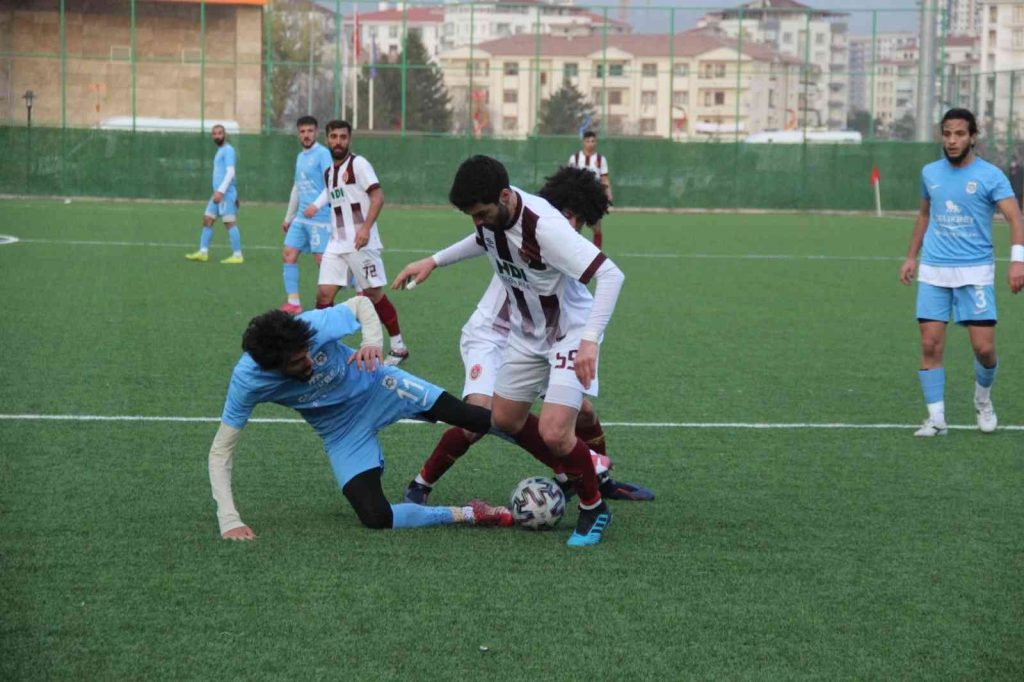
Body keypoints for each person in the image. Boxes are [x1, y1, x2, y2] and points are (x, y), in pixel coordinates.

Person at [390, 155, 626, 547]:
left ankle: (593, 506)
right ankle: (584, 469)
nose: (478, 222)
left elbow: (611, 275)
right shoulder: (491, 220)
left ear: (504, 196)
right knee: (503, 418)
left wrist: (589, 340)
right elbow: (481, 239)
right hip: (525, 332)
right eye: (472, 216)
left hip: (569, 332)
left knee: (554, 431)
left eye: (482, 213)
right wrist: (433, 261)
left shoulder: (545, 227)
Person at [207, 297, 515, 541]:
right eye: (299, 362)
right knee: (375, 517)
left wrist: (371, 340)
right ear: (271, 368)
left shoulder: (311, 325)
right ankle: (471, 513)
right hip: (341, 429)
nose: (310, 361)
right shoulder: (248, 381)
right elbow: (221, 450)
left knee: (473, 417)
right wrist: (229, 520)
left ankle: (561, 456)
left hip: (377, 384)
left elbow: (360, 303)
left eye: (308, 353)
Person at [898, 108, 1024, 436]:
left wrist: (1017, 261)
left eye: (959, 134)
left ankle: (983, 399)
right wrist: (911, 256)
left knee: (983, 349)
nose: (952, 140)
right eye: (947, 134)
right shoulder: (930, 173)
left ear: (972, 137)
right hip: (935, 270)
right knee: (930, 344)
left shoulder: (991, 175)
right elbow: (925, 215)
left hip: (975, 272)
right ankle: (936, 419)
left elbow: (1015, 218)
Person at [306, 120, 409, 366]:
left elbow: (378, 196)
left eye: (343, 137)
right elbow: (334, 199)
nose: (338, 141)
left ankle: (398, 346)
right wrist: (316, 206)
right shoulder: (329, 172)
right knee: (323, 294)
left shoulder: (359, 164)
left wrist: (365, 228)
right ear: (327, 139)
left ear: (349, 139)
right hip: (337, 242)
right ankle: (323, 345)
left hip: (362, 242)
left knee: (373, 294)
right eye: (333, 137)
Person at [279, 116, 334, 314]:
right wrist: (289, 216)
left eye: (310, 131)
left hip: (320, 218)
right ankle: (293, 303)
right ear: (298, 134)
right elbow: (297, 187)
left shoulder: (323, 154)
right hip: (301, 218)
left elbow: (331, 184)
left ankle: (354, 284)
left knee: (323, 262)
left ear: (316, 132)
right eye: (302, 132)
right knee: (289, 254)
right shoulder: (300, 157)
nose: (306, 135)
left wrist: (317, 206)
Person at [186, 124, 243, 264]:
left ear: (225, 134)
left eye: (219, 133)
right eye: (214, 134)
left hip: (224, 194)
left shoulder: (228, 150)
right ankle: (203, 252)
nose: (217, 136)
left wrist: (221, 191)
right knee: (207, 219)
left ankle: (237, 255)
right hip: (217, 195)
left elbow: (230, 172)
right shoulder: (220, 151)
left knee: (229, 223)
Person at [566, 130, 613, 248]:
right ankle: (573, 251)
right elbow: (568, 177)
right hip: (579, 197)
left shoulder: (601, 159)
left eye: (593, 141)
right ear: (583, 142)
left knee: (597, 228)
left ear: (596, 142)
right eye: (588, 141)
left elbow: (604, 178)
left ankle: (597, 255)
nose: (590, 143)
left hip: (594, 198)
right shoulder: (575, 158)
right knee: (575, 228)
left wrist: (609, 193)